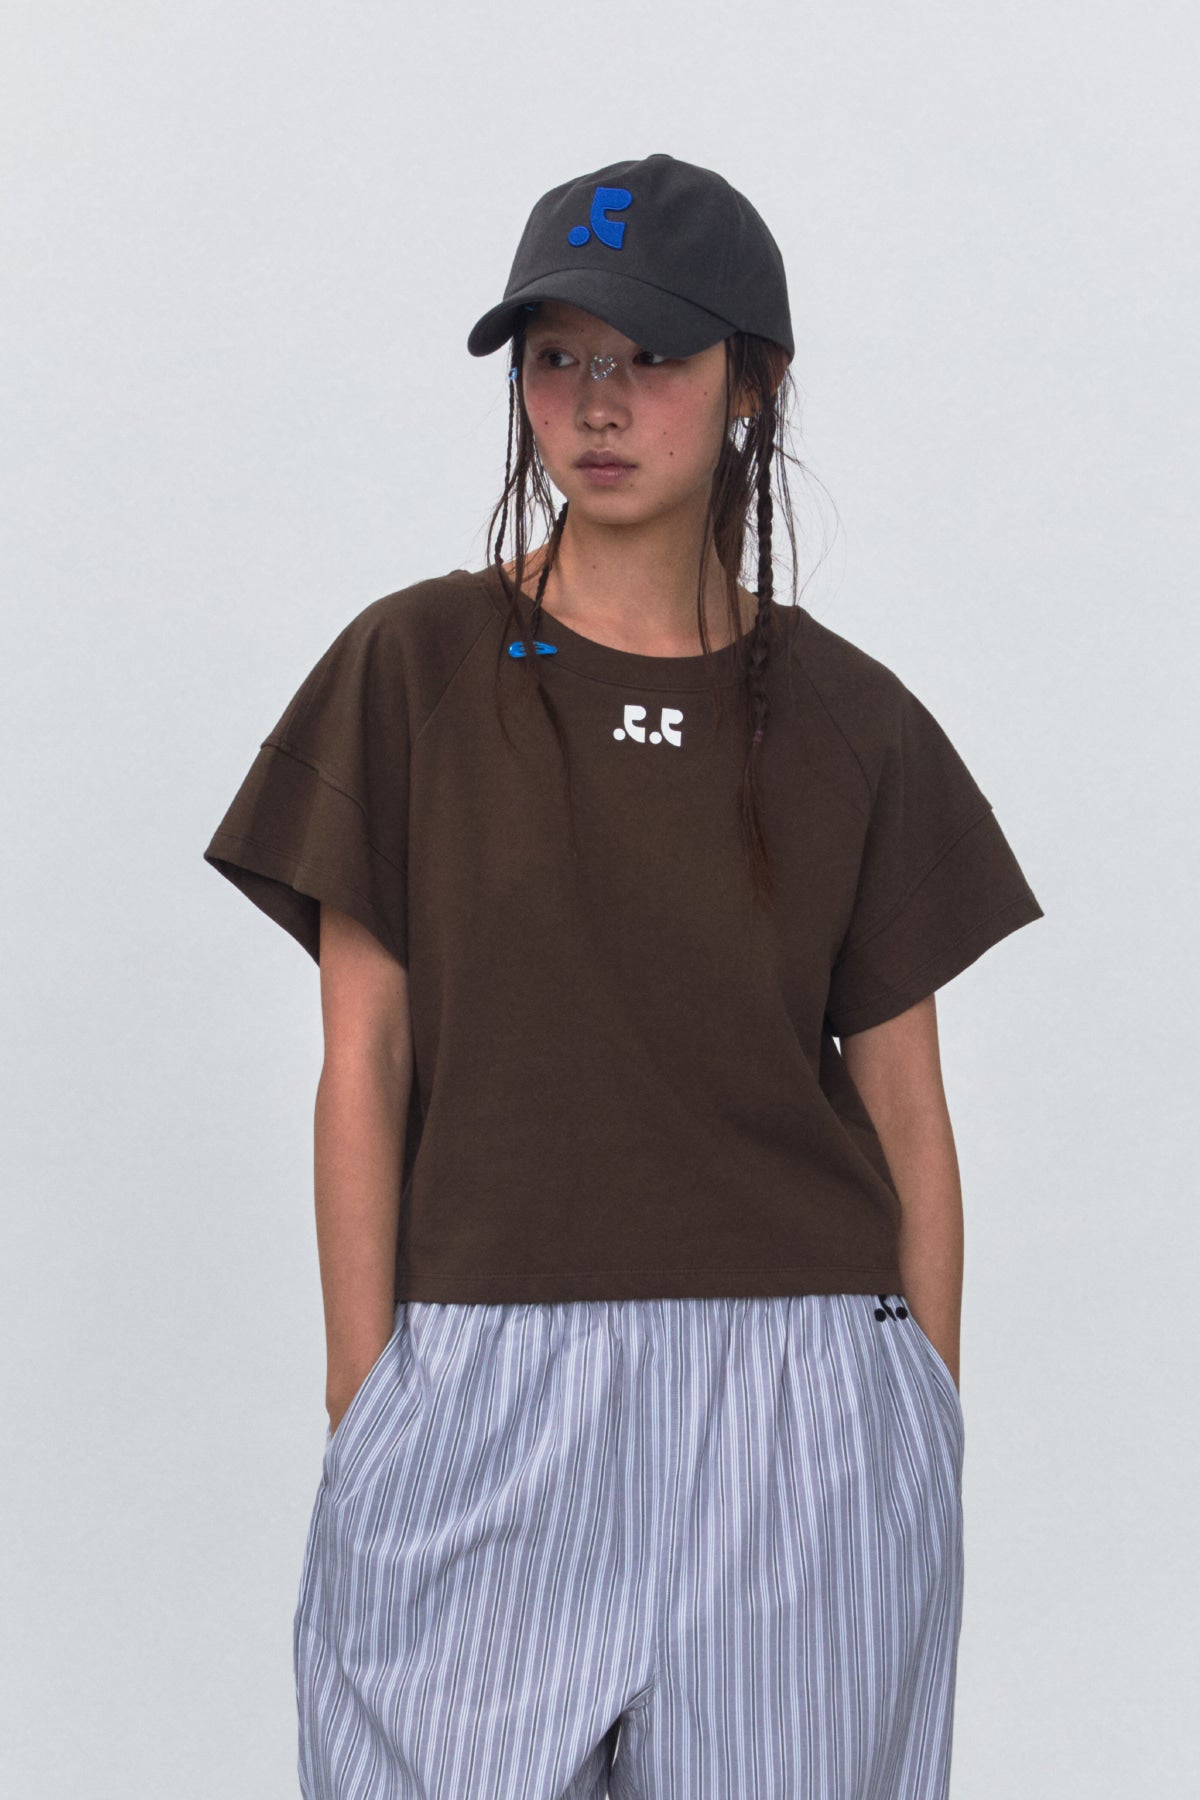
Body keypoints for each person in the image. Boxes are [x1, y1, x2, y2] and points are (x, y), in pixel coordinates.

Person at [202, 152, 1044, 1800]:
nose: (596, 403)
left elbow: (909, 1115)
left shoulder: (849, 718)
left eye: (650, 356)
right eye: (557, 358)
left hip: (802, 1399)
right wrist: (367, 1400)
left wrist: (920, 1418)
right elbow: (363, 1058)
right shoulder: (415, 669)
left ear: (753, 382)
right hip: (479, 1382)